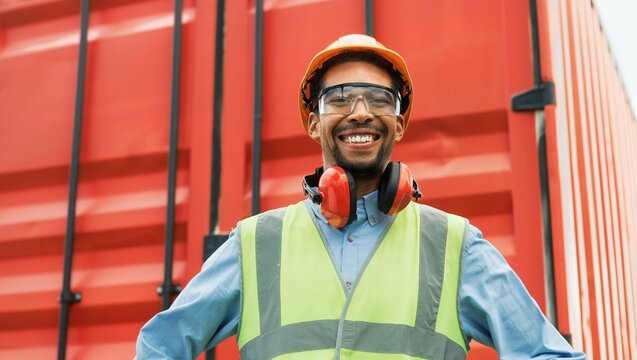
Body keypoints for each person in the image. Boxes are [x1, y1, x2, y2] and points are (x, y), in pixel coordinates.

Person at [135, 34, 586, 359]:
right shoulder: (255, 244)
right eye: (339, 99)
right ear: (315, 123)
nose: (361, 113)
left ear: (400, 123)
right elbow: (160, 347)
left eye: (378, 99)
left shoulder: (455, 246)